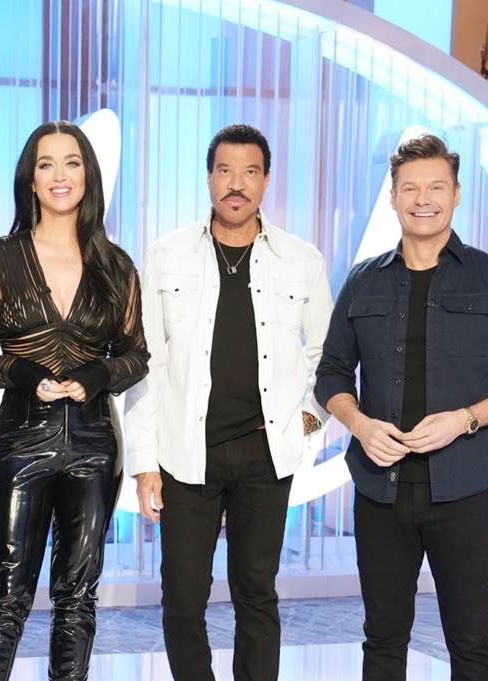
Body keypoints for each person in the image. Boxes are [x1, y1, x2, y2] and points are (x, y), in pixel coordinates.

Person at [314, 133, 488, 681]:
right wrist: (360, 424)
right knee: (383, 639)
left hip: (464, 488)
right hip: (381, 490)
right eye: (410, 188)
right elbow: (331, 374)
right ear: (393, 196)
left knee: (470, 641)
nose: (423, 199)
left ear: (456, 194)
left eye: (436, 187)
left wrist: (464, 420)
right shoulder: (363, 279)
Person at [124, 124, 332, 681]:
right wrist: (144, 461)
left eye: (250, 172)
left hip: (266, 455)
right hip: (185, 453)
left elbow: (327, 355)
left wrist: (306, 424)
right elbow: (145, 361)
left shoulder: (301, 259)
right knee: (182, 597)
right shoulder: (166, 255)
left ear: (266, 180)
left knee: (257, 593)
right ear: (209, 177)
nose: (236, 184)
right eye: (225, 171)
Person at [0, 120, 149, 681]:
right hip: (21, 440)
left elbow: (136, 354)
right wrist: (20, 371)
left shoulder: (116, 264)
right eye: (46, 164)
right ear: (31, 180)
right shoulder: (1, 258)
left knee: (78, 598)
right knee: (6, 597)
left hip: (94, 442)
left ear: (88, 176)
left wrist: (99, 374)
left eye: (72, 162)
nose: (60, 175)